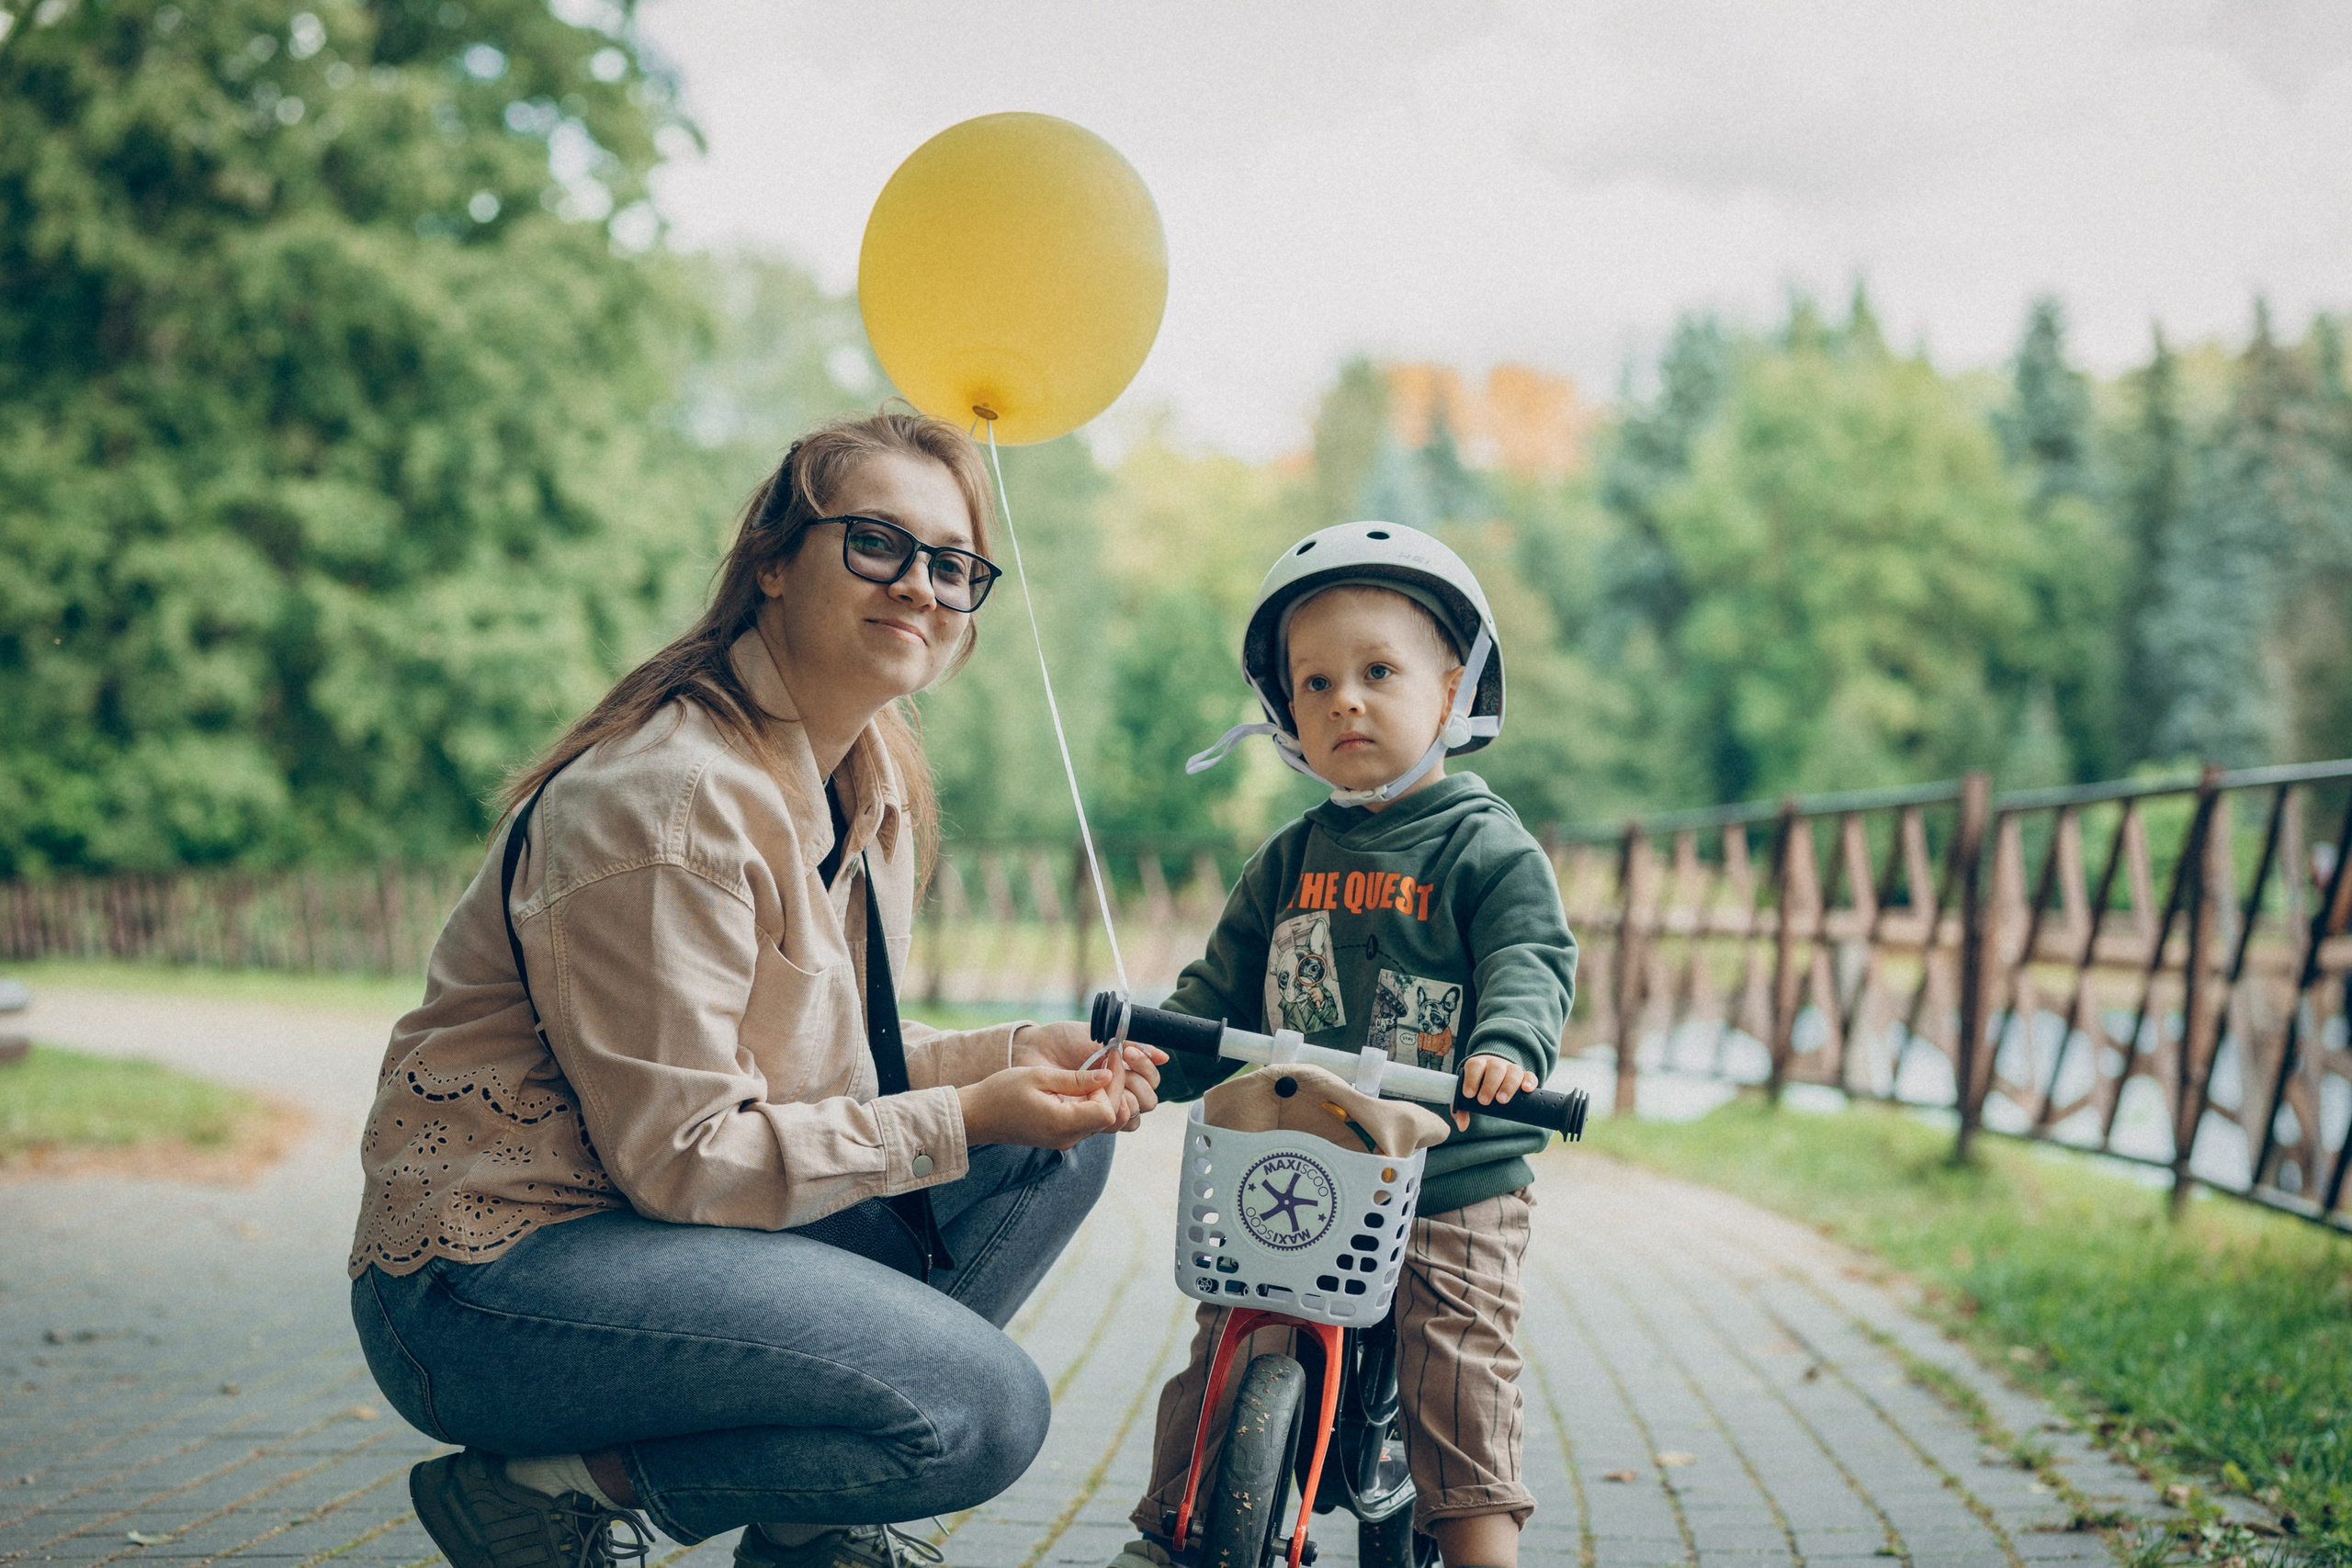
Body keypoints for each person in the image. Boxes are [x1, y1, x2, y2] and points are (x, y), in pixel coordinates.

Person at [346, 410, 1165, 1568]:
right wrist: (968, 1111)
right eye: (877, 543)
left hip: (661, 1242)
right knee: (978, 1411)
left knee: (1059, 1145)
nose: (920, 586)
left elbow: (826, 1066)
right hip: (491, 1290)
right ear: (773, 561)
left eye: (952, 564)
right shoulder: (666, 799)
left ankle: (811, 1524)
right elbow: (685, 1159)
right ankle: (544, 1489)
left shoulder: (864, 781)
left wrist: (1013, 1057)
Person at [1112, 522, 1577, 1568]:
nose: (1343, 701)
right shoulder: (1285, 859)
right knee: (1232, 1346)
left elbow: (1529, 959)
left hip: (1449, 1167)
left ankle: (1480, 1546)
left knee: (1456, 1365)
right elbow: (1215, 989)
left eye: (1376, 671)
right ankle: (1173, 1532)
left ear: (1452, 690)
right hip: (1301, 1161)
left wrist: (1505, 1045)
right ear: (1284, 713)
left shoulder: (1482, 845)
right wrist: (1156, 1059)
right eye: (1312, 684)